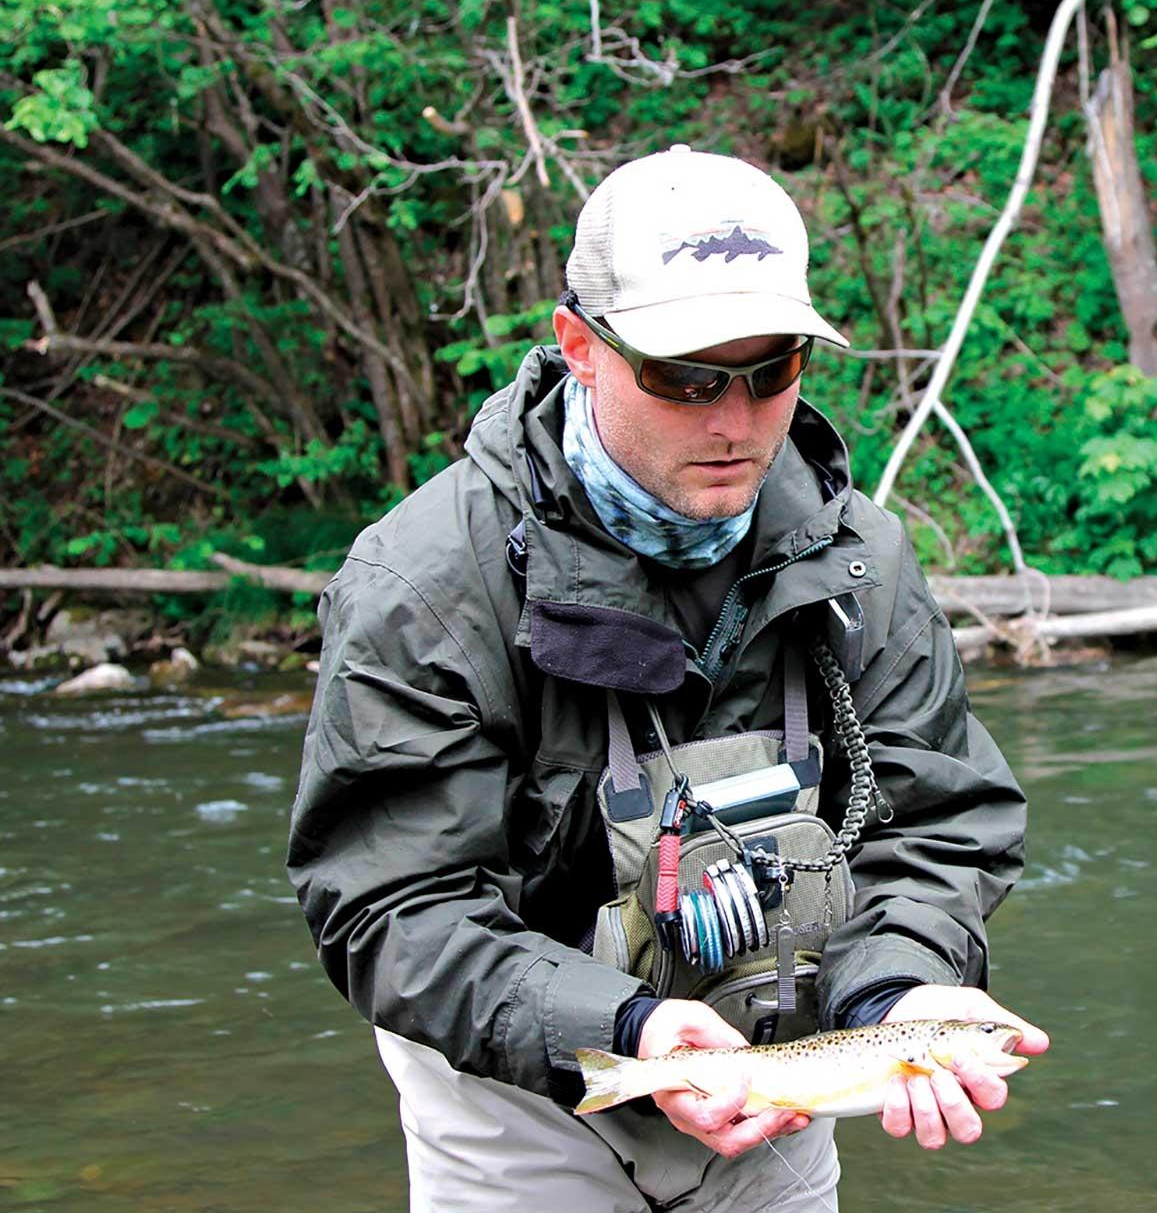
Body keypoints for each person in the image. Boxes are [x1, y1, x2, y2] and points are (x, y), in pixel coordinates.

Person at [289, 145, 1047, 1211]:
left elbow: (939, 823)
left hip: (777, 1076)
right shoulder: (425, 584)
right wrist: (627, 1030)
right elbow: (395, 905)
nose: (733, 421)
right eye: (685, 377)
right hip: (524, 1090)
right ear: (580, 346)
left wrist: (897, 989)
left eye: (771, 370)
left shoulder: (858, 559)